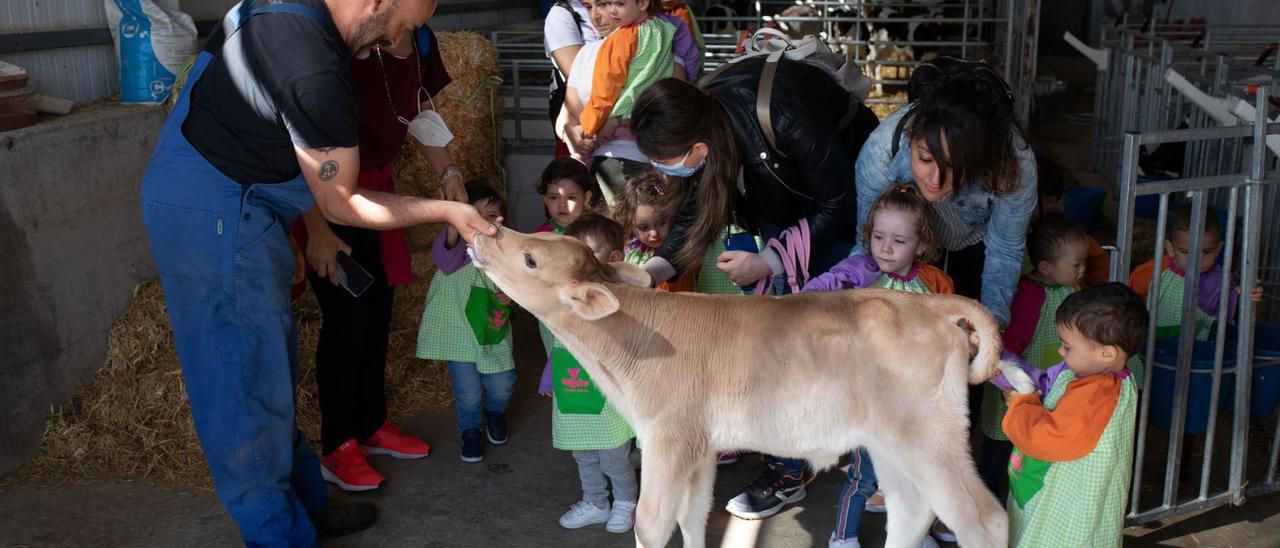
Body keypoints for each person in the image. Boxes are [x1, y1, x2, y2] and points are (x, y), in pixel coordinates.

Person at [138, 1, 495, 544]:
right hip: (215, 209)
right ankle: (278, 535)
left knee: (271, 372)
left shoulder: (305, 18)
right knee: (241, 388)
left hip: (250, 196)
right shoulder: (309, 60)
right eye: (406, 25)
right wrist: (447, 211)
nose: (401, 39)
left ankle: (306, 505)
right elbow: (341, 201)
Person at [630, 64, 879, 519]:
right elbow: (690, 211)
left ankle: (803, 465)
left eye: (664, 160)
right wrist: (651, 272)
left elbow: (839, 203)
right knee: (777, 341)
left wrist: (772, 260)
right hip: (782, 198)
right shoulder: (703, 124)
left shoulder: (781, 113)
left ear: (699, 148)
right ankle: (789, 457)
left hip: (839, 206)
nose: (661, 170)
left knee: (812, 341)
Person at [294, 22, 460, 493]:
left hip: (378, 194)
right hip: (329, 196)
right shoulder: (340, 38)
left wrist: (449, 171)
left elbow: (423, 110)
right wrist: (318, 229)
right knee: (347, 320)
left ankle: (372, 423)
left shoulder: (424, 38)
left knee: (378, 310)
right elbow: (299, 142)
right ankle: (337, 447)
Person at [801, 184, 951, 548]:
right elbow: (813, 293)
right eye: (878, 236)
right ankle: (843, 536)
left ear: (922, 244)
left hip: (916, 399)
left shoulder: (935, 282)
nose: (885, 247)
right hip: (868, 399)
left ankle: (908, 534)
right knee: (863, 476)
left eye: (899, 240)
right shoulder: (860, 271)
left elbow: (951, 329)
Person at [998, 283, 1148, 547]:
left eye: (1067, 346)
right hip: (1055, 487)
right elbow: (1046, 385)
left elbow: (1052, 438)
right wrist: (1000, 364)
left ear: (1107, 353)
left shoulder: (1097, 394)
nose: (1060, 352)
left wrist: (1021, 405)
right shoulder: (1089, 372)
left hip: (1067, 503)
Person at [537, 213, 640, 534]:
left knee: (614, 456)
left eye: (588, 253)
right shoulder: (565, 299)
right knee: (583, 454)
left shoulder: (620, 301)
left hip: (609, 398)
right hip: (575, 392)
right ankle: (596, 501)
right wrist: (547, 376)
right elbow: (557, 341)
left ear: (614, 259)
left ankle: (626, 502)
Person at [978, 213, 1088, 500]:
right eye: (1076, 264)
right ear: (1045, 267)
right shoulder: (1030, 296)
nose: (1082, 269)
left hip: (1042, 389)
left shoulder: (1067, 290)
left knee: (1027, 448)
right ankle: (986, 506)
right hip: (1015, 391)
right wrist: (1010, 386)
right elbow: (1010, 345)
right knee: (999, 451)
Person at [416, 180, 514, 463]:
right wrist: (452, 218)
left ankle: (495, 412)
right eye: (476, 216)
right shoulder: (455, 250)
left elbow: (517, 283)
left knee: (502, 383)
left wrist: (511, 297)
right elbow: (443, 259)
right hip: (458, 334)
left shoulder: (503, 252)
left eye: (493, 216)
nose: (486, 223)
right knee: (468, 393)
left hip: (491, 330)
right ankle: (470, 430)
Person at [579, 0, 686, 142]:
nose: (612, 10)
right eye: (608, 3)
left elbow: (606, 88)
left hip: (620, 128)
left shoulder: (621, 38)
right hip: (656, 122)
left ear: (642, 3)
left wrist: (588, 127)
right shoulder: (664, 29)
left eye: (620, 4)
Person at [613, 169, 698, 292]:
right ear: (630, 225)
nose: (654, 233)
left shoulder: (686, 247)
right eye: (644, 227)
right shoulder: (627, 252)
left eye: (662, 223)